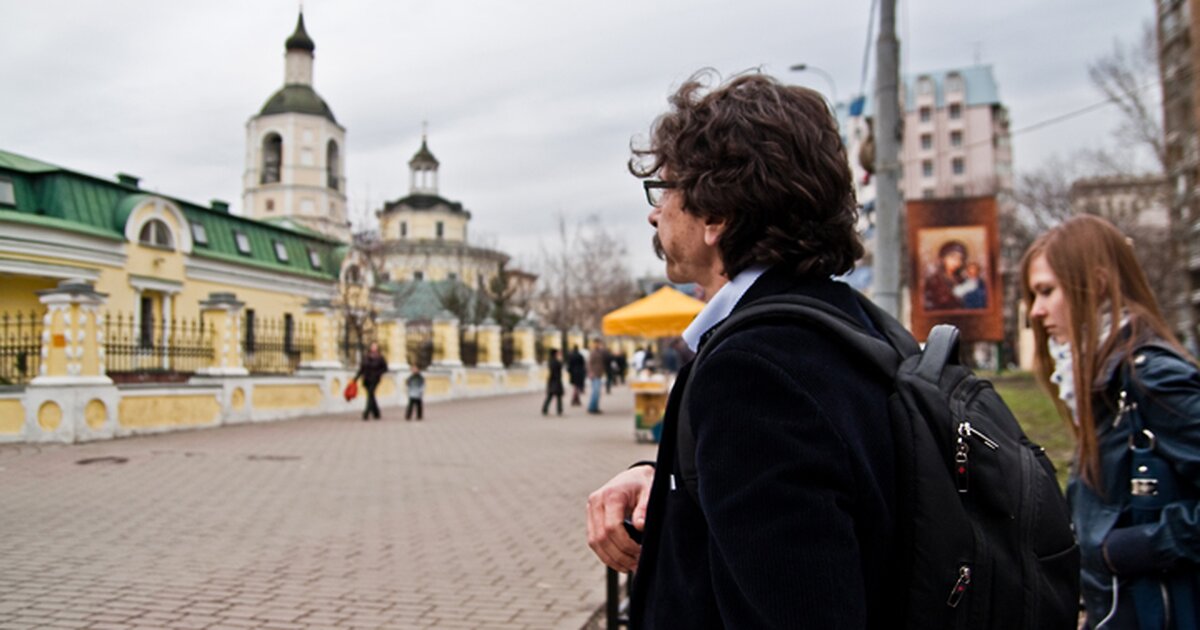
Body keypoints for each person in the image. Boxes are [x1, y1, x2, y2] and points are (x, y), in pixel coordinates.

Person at [586, 71, 898, 628]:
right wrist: (671, 480)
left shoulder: (752, 373)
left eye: (666, 191)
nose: (655, 214)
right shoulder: (850, 325)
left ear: (717, 215)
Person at [1021, 214, 1200, 629]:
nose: (1036, 311)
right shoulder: (1103, 380)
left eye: (1047, 291)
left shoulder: (1149, 378)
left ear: (1097, 283)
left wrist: (1140, 546)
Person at [923, 240, 968, 311]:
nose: (957, 262)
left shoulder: (962, 280)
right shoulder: (933, 281)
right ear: (942, 258)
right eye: (953, 257)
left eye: (960, 259)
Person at [354, 342, 388, 421]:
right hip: (366, 379)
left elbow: (385, 369)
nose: (373, 348)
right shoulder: (366, 357)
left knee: (370, 394)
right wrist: (355, 378)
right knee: (371, 395)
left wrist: (378, 373)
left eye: (375, 346)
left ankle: (366, 413)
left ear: (377, 348)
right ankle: (376, 413)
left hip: (375, 379)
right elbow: (362, 369)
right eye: (372, 346)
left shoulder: (380, 358)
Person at [542, 348, 565, 416]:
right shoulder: (555, 361)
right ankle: (559, 410)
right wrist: (560, 360)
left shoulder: (551, 361)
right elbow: (559, 367)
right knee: (556, 396)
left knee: (551, 395)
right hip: (556, 380)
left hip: (552, 380)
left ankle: (546, 409)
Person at [586, 338, 606, 414]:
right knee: (596, 391)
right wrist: (590, 372)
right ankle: (592, 408)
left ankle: (594, 407)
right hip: (595, 374)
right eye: (597, 343)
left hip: (599, 373)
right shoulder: (593, 352)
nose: (598, 345)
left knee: (597, 392)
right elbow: (589, 363)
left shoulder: (600, 352)